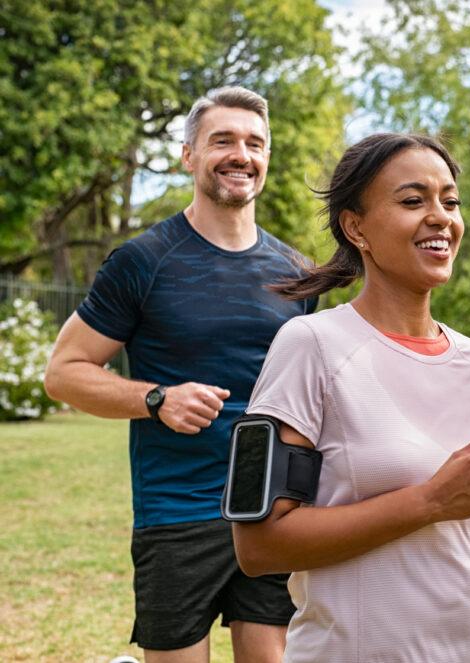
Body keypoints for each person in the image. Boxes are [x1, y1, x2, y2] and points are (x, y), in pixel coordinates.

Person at [230, 133, 470, 662]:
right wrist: (429, 501)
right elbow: (258, 547)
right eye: (413, 201)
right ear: (356, 227)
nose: (440, 217)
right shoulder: (311, 346)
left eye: (450, 201)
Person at [44, 87, 316, 663]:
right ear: (189, 155)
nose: (241, 154)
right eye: (223, 141)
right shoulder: (143, 261)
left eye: (254, 143)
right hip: (178, 512)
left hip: (272, 507)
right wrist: (156, 398)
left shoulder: (297, 274)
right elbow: (64, 373)